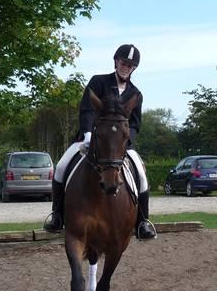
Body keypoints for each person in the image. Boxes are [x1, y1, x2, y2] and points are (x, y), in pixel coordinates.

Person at [43, 44, 157, 240]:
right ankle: (57, 215)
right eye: (123, 63)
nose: (125, 67)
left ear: (133, 68)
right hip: (90, 138)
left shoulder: (136, 94)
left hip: (121, 145)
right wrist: (87, 134)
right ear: (116, 61)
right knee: (61, 166)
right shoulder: (98, 82)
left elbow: (136, 124)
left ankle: (143, 222)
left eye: (130, 65)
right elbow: (87, 109)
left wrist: (126, 140)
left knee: (141, 174)